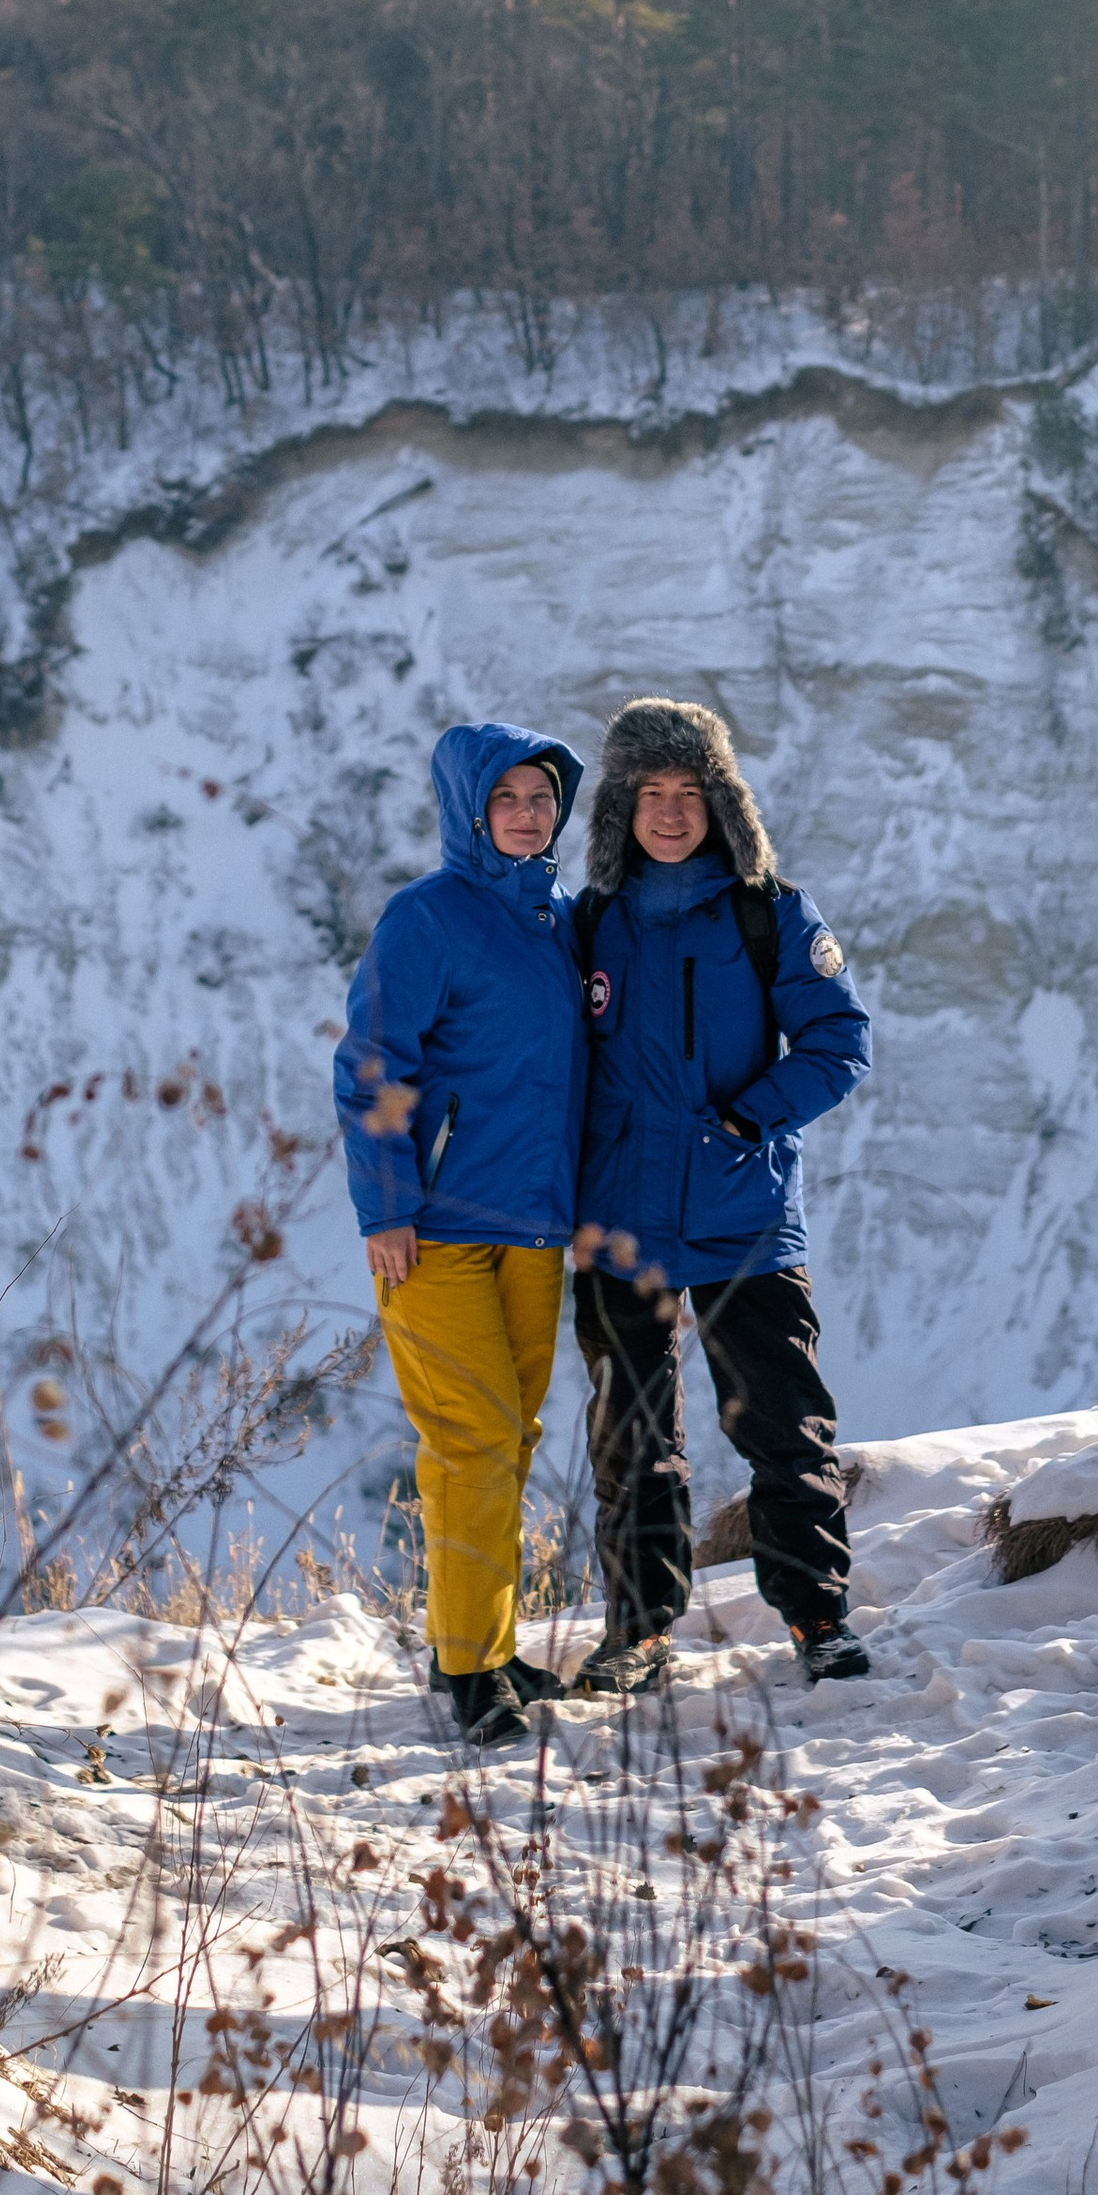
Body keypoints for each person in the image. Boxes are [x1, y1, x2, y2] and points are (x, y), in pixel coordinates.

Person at [565, 697, 873, 1697]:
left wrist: (747, 1121)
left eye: (687, 791)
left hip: (741, 1214)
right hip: (617, 1221)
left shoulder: (769, 910)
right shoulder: (591, 924)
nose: (668, 810)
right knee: (631, 1440)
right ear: (620, 809)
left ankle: (817, 1618)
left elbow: (837, 1044)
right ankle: (639, 1634)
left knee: (784, 1427)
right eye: (648, 793)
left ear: (720, 802)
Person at [334, 720, 585, 1749]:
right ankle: (473, 1671)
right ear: (469, 811)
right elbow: (371, 1063)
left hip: (532, 1224)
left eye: (542, 799)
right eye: (507, 800)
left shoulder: (557, 922)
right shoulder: (424, 918)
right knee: (470, 1437)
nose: (527, 815)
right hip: (435, 1229)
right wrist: (386, 1205)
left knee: (507, 1440)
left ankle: (476, 1641)